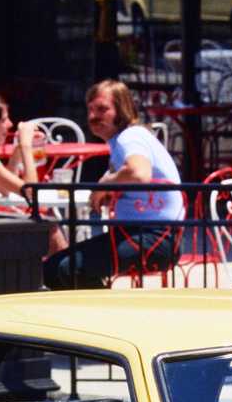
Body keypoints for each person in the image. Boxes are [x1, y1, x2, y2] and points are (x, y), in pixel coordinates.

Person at [44, 80, 184, 289]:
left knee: (65, 269)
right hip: (142, 234)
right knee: (56, 267)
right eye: (90, 109)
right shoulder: (124, 140)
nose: (93, 116)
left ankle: (103, 317)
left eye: (102, 109)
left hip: (154, 238)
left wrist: (106, 183)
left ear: (122, 110)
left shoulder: (130, 137)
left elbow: (139, 173)